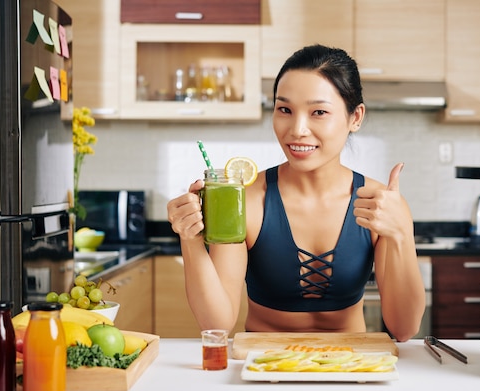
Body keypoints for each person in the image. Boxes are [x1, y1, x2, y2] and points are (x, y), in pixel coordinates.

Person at [167, 44, 425, 341]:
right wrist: (191, 239)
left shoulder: (380, 204)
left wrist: (400, 234)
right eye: (285, 110)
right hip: (263, 368)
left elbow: (404, 330)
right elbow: (217, 324)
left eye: (318, 112)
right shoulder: (247, 200)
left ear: (355, 117)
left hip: (351, 368)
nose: (297, 129)